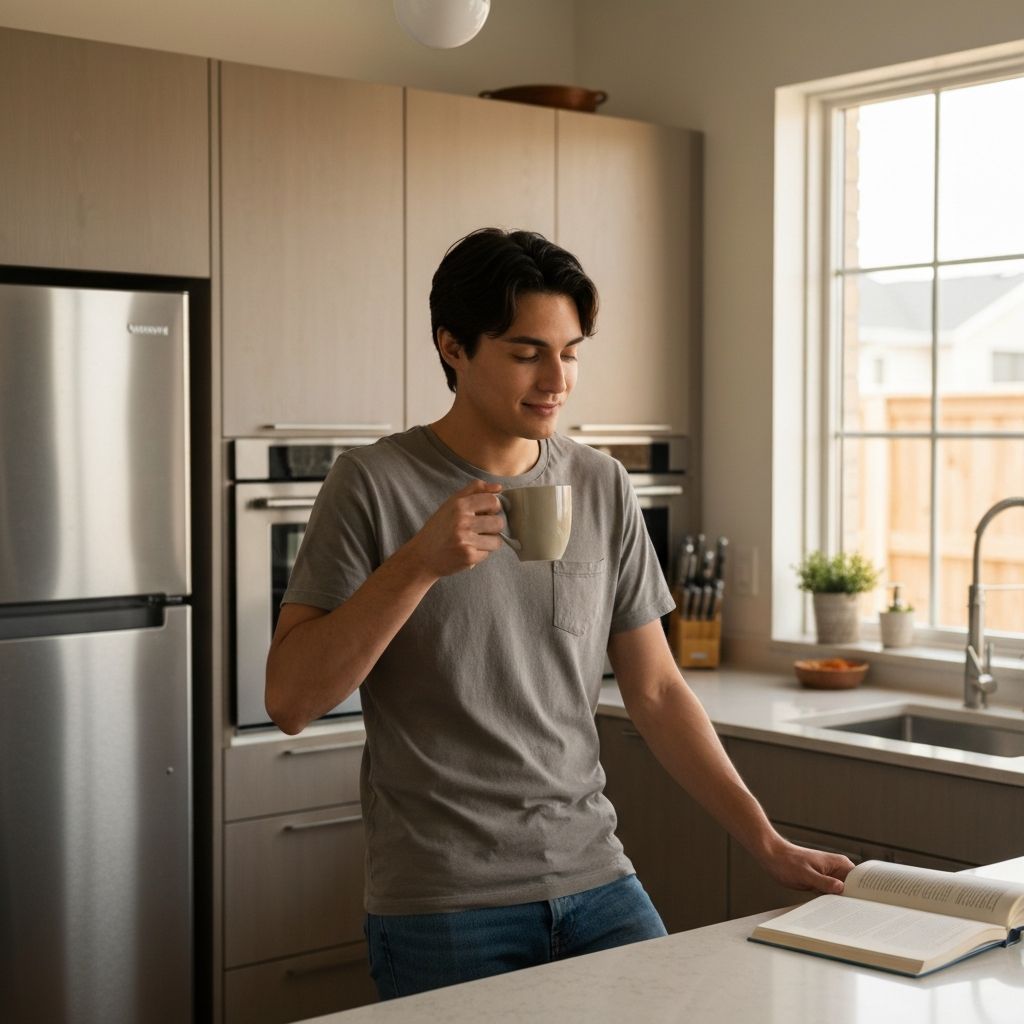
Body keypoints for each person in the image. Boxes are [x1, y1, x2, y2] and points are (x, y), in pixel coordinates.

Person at [265, 227, 853, 1000]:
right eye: (524, 351)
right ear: (453, 346)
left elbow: (658, 692)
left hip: (597, 877)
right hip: (444, 902)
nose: (556, 379)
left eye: (570, 351)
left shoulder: (601, 483)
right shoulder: (373, 483)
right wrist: (417, 565)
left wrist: (764, 840)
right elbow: (291, 701)